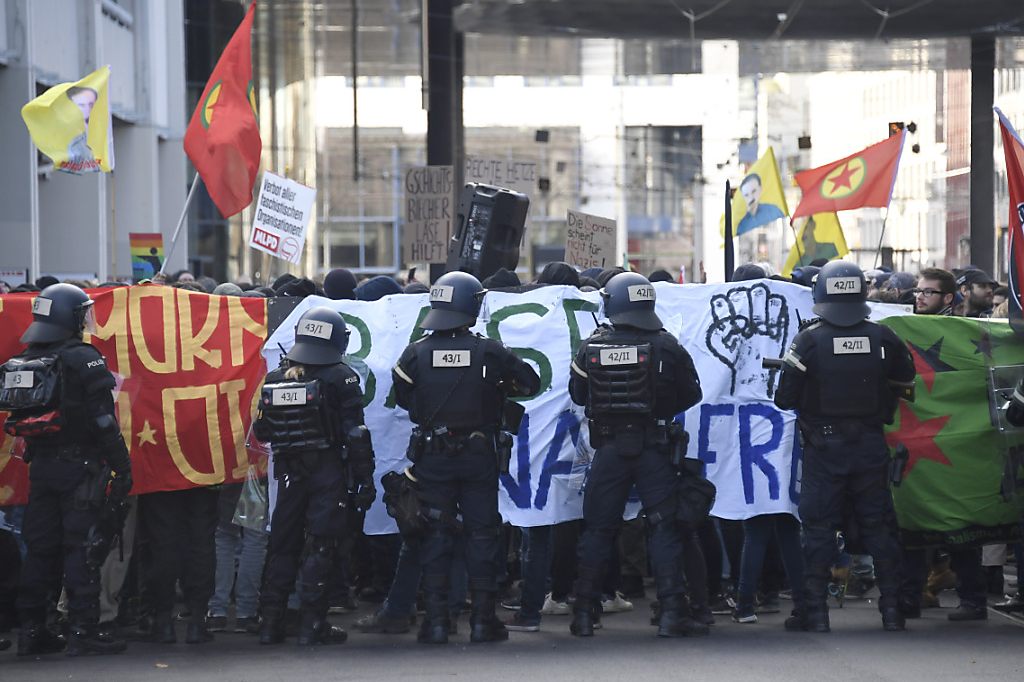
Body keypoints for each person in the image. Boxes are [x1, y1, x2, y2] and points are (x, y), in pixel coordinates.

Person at [391, 271, 540, 644]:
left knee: (436, 533)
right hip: (478, 457)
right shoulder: (489, 351)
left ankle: (437, 622)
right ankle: (482, 621)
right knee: (482, 535)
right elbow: (530, 383)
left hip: (433, 458)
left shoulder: (415, 353)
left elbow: (406, 402)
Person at [774, 260, 916, 632]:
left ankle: (814, 614)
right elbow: (906, 378)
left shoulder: (808, 339)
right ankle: (892, 612)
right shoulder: (883, 337)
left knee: (818, 530)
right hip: (870, 445)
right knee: (879, 526)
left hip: (824, 449)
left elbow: (784, 398)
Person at [568, 272, 707, 638]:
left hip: (610, 449)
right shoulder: (668, 346)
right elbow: (692, 394)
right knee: (664, 527)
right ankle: (672, 614)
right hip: (654, 449)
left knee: (598, 530)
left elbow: (579, 395)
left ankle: (583, 614)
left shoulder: (592, 347)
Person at [1, 283, 133, 656]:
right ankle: (83, 630)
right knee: (82, 548)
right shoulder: (82, 357)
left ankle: (32, 629)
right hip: (81, 468)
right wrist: (122, 466)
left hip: (40, 467)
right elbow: (104, 421)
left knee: (41, 549)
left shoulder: (28, 358)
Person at [254, 307, 376, 646]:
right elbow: (355, 433)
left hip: (288, 470)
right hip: (327, 470)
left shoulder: (276, 378)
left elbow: (263, 429)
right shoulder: (342, 376)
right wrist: (365, 477)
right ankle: (311, 624)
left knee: (283, 545)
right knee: (321, 545)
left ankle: (270, 624)